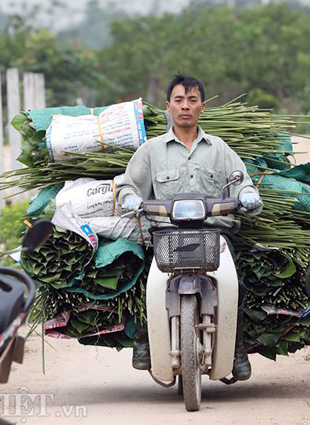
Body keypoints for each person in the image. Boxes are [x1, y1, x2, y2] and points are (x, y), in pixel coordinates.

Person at [116, 74, 262, 381]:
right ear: (168, 106)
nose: (186, 107)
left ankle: (235, 349)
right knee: (144, 279)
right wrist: (130, 200)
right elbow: (128, 187)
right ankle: (144, 338)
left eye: (192, 100)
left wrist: (247, 195)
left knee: (239, 284)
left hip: (214, 234)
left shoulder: (219, 149)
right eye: (179, 100)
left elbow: (241, 181)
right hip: (167, 235)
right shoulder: (151, 151)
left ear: (203, 107)